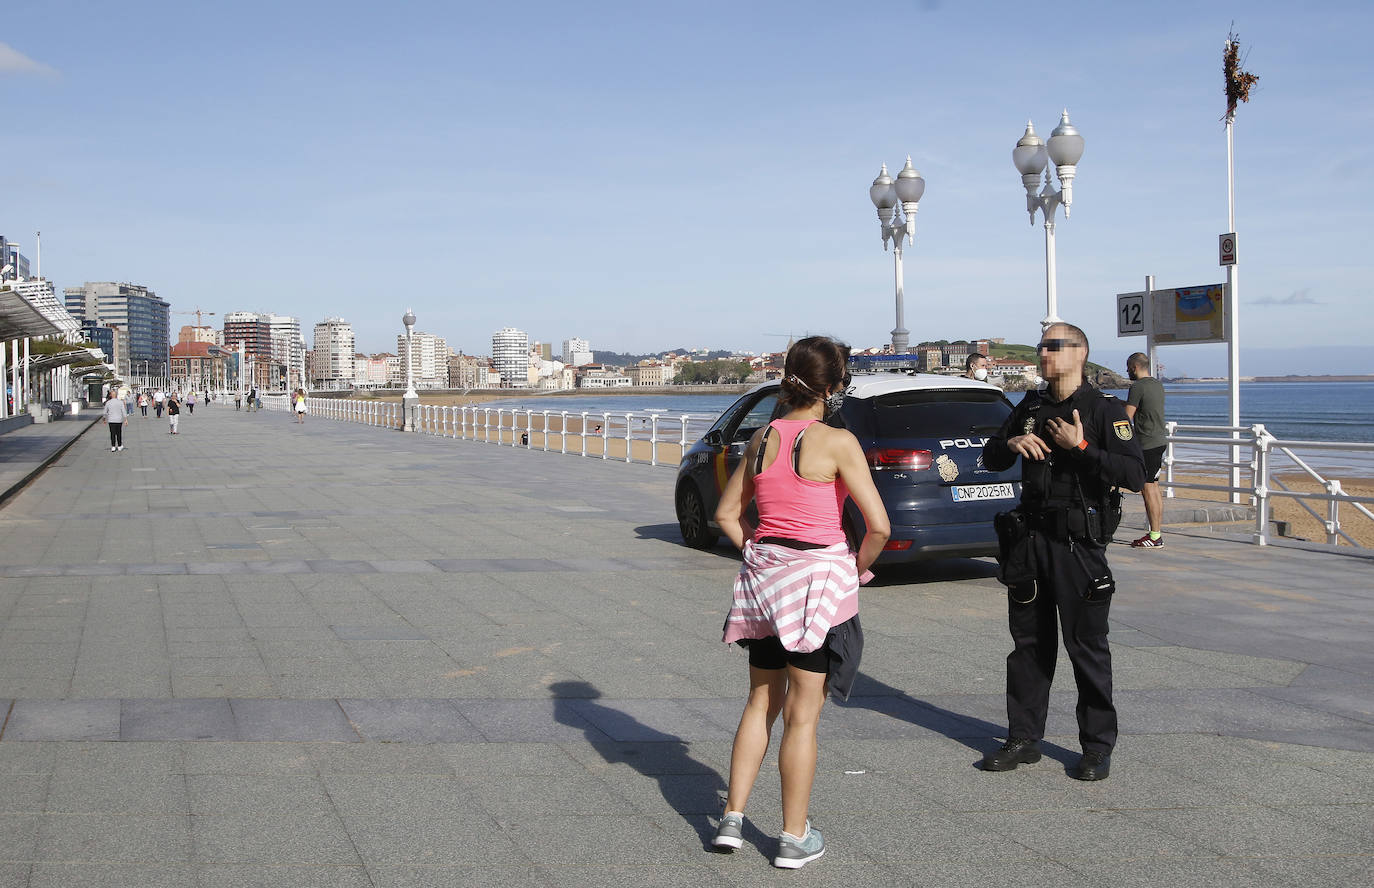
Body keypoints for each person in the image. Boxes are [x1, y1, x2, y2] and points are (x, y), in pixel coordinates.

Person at [711, 336, 890, 869]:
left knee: (758, 702)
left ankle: (732, 820)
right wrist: (851, 570)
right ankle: (793, 836)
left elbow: (726, 514)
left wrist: (760, 551)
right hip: (814, 589)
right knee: (802, 718)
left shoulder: (761, 438)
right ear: (835, 387)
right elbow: (878, 526)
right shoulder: (837, 442)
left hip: (765, 586)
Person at [980, 322, 1144, 782]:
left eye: (1052, 346)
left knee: (1087, 648)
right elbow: (991, 457)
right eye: (1040, 346)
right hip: (1029, 543)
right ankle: (1024, 738)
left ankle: (1096, 747)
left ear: (1079, 353)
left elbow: (1135, 473)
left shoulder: (1102, 409)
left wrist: (1083, 447)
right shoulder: (1030, 405)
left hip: (1079, 547)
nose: (1043, 353)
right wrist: (1009, 443)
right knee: (1028, 646)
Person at [1124, 352, 1167, 549]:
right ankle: (1156, 533)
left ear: (1134, 366)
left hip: (1146, 444)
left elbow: (1126, 418)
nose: (1126, 371)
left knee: (1147, 489)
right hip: (1159, 441)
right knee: (1154, 487)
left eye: (1128, 367)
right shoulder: (1157, 385)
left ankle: (1155, 536)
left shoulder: (1137, 387)